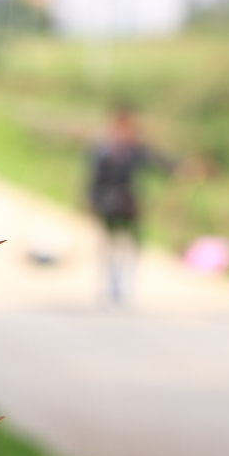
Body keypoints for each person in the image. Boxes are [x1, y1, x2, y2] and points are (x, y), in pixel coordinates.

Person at [86, 106, 174, 306]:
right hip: (108, 204)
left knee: (131, 246)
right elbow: (93, 179)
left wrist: (183, 166)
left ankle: (126, 288)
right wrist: (92, 201)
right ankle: (107, 286)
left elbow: (161, 163)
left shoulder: (137, 150)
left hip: (131, 205)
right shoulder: (103, 150)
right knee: (108, 245)